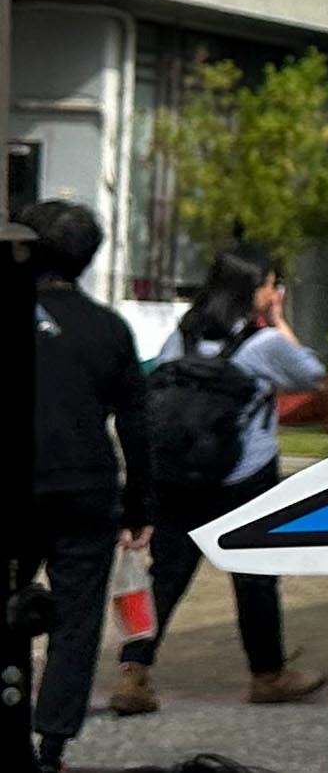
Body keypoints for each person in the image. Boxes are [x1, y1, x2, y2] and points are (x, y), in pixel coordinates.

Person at [112, 247, 327, 712]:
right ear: (255, 290)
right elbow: (311, 376)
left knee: (166, 577)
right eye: (271, 284)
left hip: (178, 475)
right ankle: (268, 675)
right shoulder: (263, 344)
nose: (275, 292)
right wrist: (279, 320)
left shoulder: (183, 337)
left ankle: (132, 675)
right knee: (254, 578)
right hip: (245, 475)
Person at [22, 198, 151, 773]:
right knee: (76, 620)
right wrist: (140, 504)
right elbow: (136, 424)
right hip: (85, 487)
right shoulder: (108, 328)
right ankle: (52, 743)